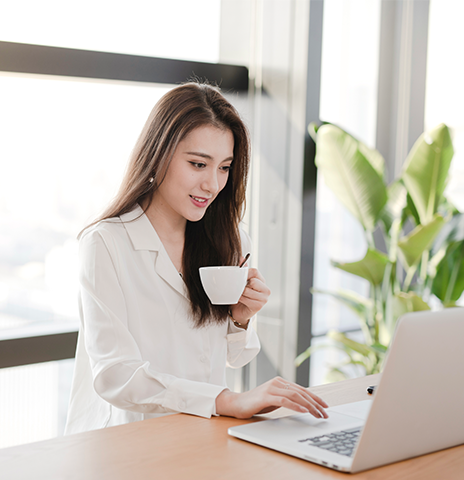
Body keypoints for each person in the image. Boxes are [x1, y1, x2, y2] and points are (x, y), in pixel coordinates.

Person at [65, 82, 328, 435]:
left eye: (224, 168)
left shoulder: (230, 239)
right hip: (127, 442)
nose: (212, 184)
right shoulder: (106, 243)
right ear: (158, 154)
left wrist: (240, 319)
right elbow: (115, 375)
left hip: (202, 433)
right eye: (198, 164)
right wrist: (225, 401)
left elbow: (236, 356)